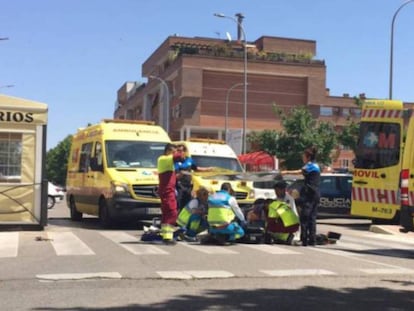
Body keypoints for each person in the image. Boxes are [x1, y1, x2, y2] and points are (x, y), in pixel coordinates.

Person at [281, 146, 321, 246]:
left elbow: (299, 171)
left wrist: (285, 172)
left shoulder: (311, 165)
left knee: (305, 217)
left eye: (303, 156)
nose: (302, 158)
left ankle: (304, 240)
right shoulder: (315, 165)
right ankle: (312, 240)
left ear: (308, 157)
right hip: (315, 194)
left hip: (310, 194)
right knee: (312, 218)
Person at [157, 143, 185, 245]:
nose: (175, 153)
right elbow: (178, 157)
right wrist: (181, 151)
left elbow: (169, 177)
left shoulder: (167, 162)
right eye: (173, 151)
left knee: (166, 213)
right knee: (172, 212)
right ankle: (168, 237)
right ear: (168, 151)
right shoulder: (164, 159)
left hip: (167, 190)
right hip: (167, 191)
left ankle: (165, 236)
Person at [175, 144, 213, 210]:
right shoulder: (176, 162)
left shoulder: (189, 160)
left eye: (180, 151)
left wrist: (207, 169)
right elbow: (175, 175)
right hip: (179, 186)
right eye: (177, 151)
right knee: (179, 204)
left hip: (188, 186)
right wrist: (181, 174)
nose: (179, 153)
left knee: (188, 204)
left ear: (184, 151)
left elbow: (196, 168)